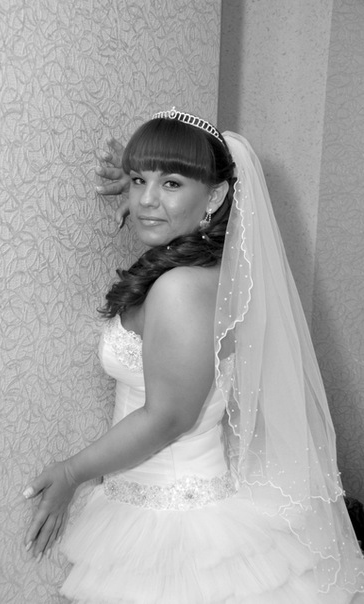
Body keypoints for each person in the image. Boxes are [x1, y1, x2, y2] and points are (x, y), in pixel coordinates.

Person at [23, 109, 364, 603]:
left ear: (217, 196)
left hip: (176, 524)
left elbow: (168, 417)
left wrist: (71, 472)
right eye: (139, 180)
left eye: (172, 183)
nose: (146, 199)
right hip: (162, 499)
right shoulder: (216, 267)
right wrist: (156, 188)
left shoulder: (181, 288)